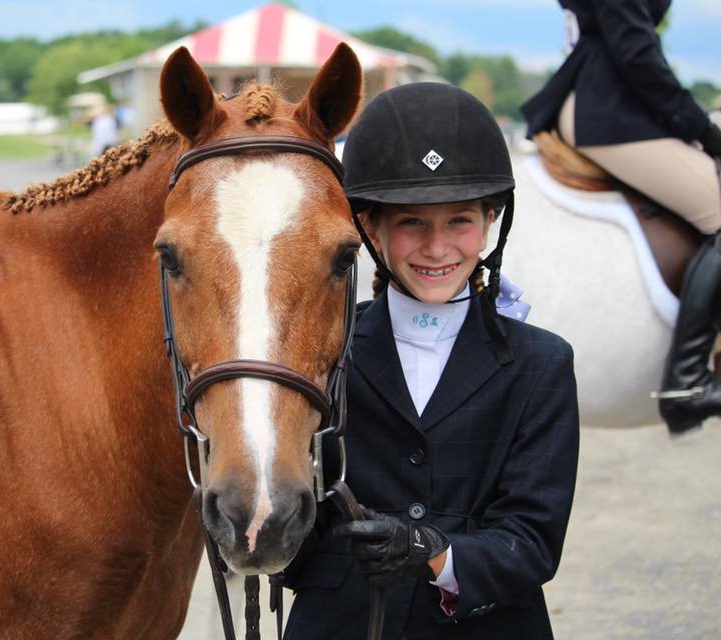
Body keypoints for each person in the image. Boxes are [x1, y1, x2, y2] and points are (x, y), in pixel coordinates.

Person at [282, 83, 580, 640]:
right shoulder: (320, 348)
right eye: (413, 222)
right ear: (372, 229)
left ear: (490, 222)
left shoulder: (542, 364)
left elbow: (534, 541)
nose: (438, 248)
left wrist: (431, 553)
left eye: (459, 222)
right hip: (342, 621)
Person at [521, 0, 721, 435]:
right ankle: (688, 380)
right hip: (611, 109)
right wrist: (700, 127)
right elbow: (635, 49)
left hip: (617, 103)